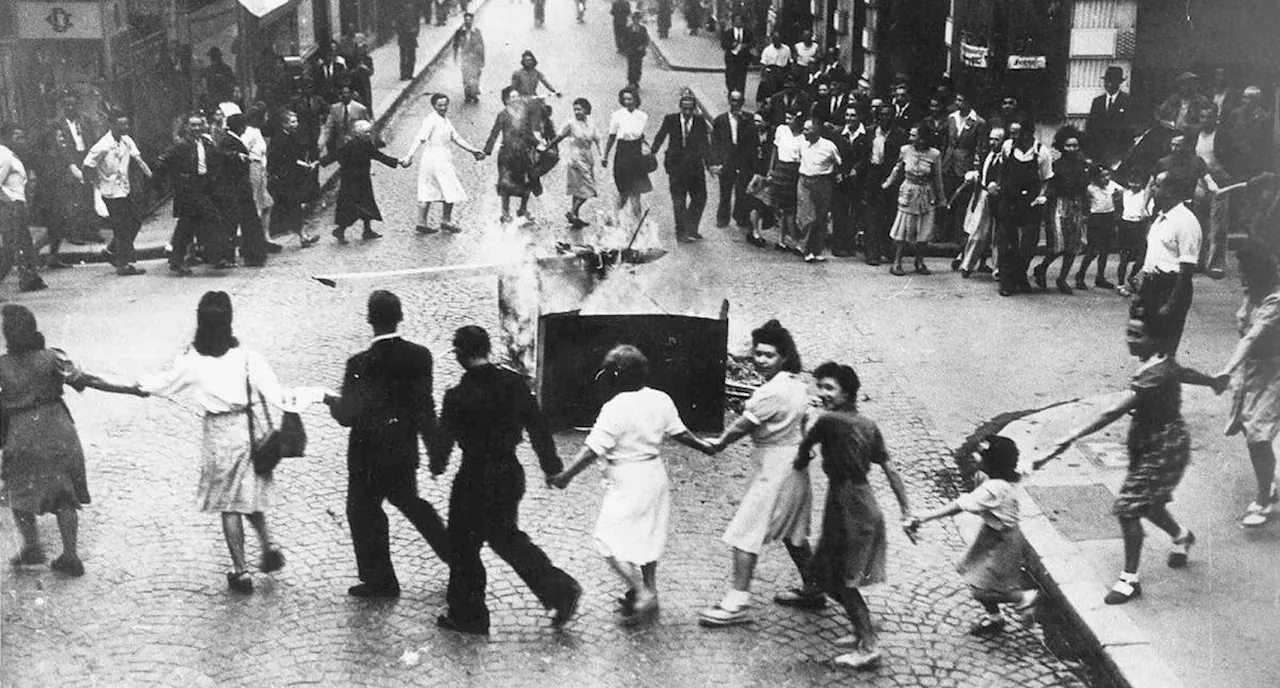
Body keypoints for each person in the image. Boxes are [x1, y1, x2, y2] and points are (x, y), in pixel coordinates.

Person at [1040, 307, 1225, 604]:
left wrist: (1071, 435)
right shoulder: (1160, 362)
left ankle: (1129, 580)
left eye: (1138, 335)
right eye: (1129, 332)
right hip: (1150, 443)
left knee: (1129, 507)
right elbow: (1185, 373)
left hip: (1164, 446)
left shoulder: (1156, 373)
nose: (1130, 340)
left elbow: (1114, 411)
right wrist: (1213, 381)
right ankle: (1181, 536)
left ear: (1157, 339)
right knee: (1147, 503)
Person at [139, 292, 307, 593]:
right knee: (249, 493)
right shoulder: (248, 359)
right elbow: (277, 394)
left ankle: (241, 570)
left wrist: (136, 386)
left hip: (219, 434)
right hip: (248, 427)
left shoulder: (193, 362)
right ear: (229, 321)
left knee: (229, 504)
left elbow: (161, 384)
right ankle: (269, 545)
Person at [427, 326, 583, 635]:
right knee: (506, 538)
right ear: (487, 349)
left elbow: (443, 442)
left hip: (473, 477)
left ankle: (469, 614)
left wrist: (437, 464)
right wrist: (551, 467)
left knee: (463, 544)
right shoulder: (514, 385)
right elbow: (538, 427)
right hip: (508, 473)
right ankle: (559, 590)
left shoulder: (457, 396)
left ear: (460, 355)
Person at [550, 345, 715, 623]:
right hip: (654, 474)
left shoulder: (614, 409)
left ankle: (641, 592)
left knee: (607, 540)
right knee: (648, 536)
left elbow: (592, 450)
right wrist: (704, 446)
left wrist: (566, 476)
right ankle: (650, 589)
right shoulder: (660, 399)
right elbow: (681, 432)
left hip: (627, 480)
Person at [321, 291, 450, 597]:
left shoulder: (359, 363)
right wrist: (435, 453)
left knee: (362, 512)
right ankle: (458, 557)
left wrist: (329, 400)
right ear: (400, 317)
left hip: (366, 455)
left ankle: (380, 579)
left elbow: (347, 415)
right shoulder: (420, 357)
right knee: (413, 505)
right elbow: (425, 409)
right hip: (402, 451)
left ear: (369, 320)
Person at [1, 305, 146, 577]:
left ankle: (32, 547)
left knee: (19, 493)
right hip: (57, 429)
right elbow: (88, 379)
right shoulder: (53, 357)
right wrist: (131, 388)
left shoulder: (1, 366)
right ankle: (70, 556)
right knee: (64, 494)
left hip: (20, 433)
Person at [699, 320, 819, 626]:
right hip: (793, 465)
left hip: (775, 468)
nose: (760, 360)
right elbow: (808, 423)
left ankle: (737, 603)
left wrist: (719, 444)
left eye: (768, 355)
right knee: (794, 533)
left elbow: (743, 426)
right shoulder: (797, 385)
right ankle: (814, 588)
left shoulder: (771, 393)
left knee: (744, 533)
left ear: (784, 357)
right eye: (757, 353)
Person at [796, 362, 913, 668]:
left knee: (840, 579)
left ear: (846, 392)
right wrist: (906, 510)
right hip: (861, 501)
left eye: (829, 388)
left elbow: (804, 448)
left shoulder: (829, 420)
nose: (822, 393)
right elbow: (889, 467)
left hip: (848, 506)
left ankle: (869, 645)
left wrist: (803, 435)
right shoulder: (868, 425)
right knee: (831, 574)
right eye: (819, 386)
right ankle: (862, 631)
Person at [905, 436, 1038, 637]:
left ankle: (1022, 598)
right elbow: (1037, 462)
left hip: (1004, 543)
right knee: (974, 575)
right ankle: (996, 619)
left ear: (992, 462)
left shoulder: (993, 488)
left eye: (981, 454)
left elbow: (959, 506)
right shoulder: (1003, 476)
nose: (975, 456)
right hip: (992, 535)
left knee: (980, 589)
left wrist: (922, 518)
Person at [1215, 242, 1280, 527]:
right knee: (1253, 430)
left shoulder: (1275, 300)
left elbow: (1252, 336)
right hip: (1253, 371)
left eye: (1245, 269)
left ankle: (1264, 496)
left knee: (1259, 433)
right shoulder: (1251, 293)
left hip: (1275, 371)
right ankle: (1269, 481)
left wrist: (1227, 369)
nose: (1240, 274)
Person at [153, 114, 233, 273]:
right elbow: (163, 161)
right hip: (189, 189)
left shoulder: (205, 142)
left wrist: (234, 156)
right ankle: (215, 257)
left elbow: (218, 156)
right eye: (192, 125)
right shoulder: (181, 145)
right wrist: (162, 180)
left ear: (203, 126)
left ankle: (179, 259)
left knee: (187, 225)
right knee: (211, 218)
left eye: (198, 125)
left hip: (204, 186)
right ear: (187, 127)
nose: (196, 128)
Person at [1137, 170, 1201, 355]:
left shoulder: (1185, 222)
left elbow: (1187, 268)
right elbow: (1155, 254)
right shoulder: (1159, 218)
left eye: (1157, 185)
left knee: (1164, 349)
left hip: (1170, 287)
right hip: (1152, 286)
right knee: (1147, 345)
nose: (1152, 189)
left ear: (1171, 191)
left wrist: (1171, 303)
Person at [402, 93, 485, 235]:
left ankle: (424, 222)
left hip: (438, 158)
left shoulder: (444, 119)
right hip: (436, 158)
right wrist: (409, 156)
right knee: (448, 186)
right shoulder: (431, 120)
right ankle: (442, 221)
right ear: (433, 106)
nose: (443, 108)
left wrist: (472, 150)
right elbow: (420, 138)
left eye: (445, 105)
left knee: (430, 187)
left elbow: (455, 137)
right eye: (439, 105)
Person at [82, 113, 154, 276]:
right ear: (111, 125)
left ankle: (111, 252)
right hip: (110, 192)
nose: (125, 128)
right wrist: (95, 185)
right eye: (121, 125)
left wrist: (152, 176)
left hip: (124, 189)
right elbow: (86, 167)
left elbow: (139, 160)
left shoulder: (126, 140)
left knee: (134, 222)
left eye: (126, 124)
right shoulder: (102, 145)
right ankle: (124, 264)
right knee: (121, 227)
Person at [315, 119, 399, 243]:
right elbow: (337, 154)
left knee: (366, 204)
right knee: (352, 206)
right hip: (352, 180)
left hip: (360, 179)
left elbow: (377, 155)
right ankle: (341, 231)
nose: (368, 135)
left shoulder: (362, 143)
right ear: (357, 133)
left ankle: (367, 230)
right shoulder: (354, 144)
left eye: (369, 132)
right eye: (366, 132)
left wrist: (397, 161)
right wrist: (321, 162)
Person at [996, 118, 1053, 296]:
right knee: (1007, 242)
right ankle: (1007, 282)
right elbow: (1002, 171)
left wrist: (1040, 197)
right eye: (1011, 133)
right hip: (1010, 199)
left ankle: (1020, 274)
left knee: (1028, 243)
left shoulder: (1041, 152)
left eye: (1016, 133)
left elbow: (1046, 179)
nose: (1013, 136)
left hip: (1030, 202)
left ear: (1028, 133)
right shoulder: (1007, 147)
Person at [483, 87, 553, 224]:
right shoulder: (502, 115)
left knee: (527, 182)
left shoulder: (524, 114)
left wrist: (538, 144)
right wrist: (487, 150)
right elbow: (494, 132)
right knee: (505, 184)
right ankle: (505, 212)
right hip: (507, 154)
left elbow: (528, 133)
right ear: (506, 100)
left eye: (517, 96)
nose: (516, 99)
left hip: (522, 153)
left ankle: (523, 209)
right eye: (512, 97)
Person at [1033, 128, 1089, 294]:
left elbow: (1085, 188)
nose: (1072, 149)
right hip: (1058, 206)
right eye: (1068, 146)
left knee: (1073, 246)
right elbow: (1050, 187)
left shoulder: (1083, 165)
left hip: (1076, 207)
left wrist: (1085, 208)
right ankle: (1042, 268)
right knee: (1058, 245)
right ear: (1061, 146)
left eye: (1075, 146)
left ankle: (1062, 279)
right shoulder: (1056, 166)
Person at [883, 124, 944, 276]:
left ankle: (920, 261)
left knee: (923, 230)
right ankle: (897, 262)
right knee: (903, 229)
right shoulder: (905, 150)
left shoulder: (934, 154)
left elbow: (938, 177)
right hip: (909, 192)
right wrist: (887, 183)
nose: (910, 138)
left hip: (926, 193)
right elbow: (897, 169)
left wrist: (941, 198)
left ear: (923, 138)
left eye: (914, 135)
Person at [651, 94, 712, 244]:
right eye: (684, 109)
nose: (687, 112)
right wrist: (651, 153)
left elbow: (705, 144)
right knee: (679, 200)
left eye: (690, 109)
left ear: (694, 109)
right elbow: (660, 136)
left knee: (700, 198)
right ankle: (681, 232)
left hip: (695, 167)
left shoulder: (700, 121)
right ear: (680, 108)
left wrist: (710, 164)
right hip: (676, 167)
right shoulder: (670, 119)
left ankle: (692, 228)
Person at [216, 114, 270, 266]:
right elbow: (221, 157)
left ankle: (245, 254)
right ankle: (239, 255)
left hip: (239, 189)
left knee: (242, 222)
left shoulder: (231, 140)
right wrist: (237, 157)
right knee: (239, 222)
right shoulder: (229, 141)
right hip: (236, 189)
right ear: (240, 127)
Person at [0, 125, 46, 292]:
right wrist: (10, 202)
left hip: (16, 204)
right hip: (11, 205)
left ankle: (30, 278)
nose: (21, 141)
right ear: (5, 138)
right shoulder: (3, 156)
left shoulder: (12, 154)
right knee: (11, 247)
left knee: (24, 244)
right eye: (17, 137)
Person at [267, 110, 321, 249]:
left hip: (291, 178)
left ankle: (302, 235)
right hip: (285, 179)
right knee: (292, 207)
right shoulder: (280, 138)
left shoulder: (290, 136)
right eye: (292, 121)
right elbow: (280, 159)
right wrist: (302, 164)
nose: (296, 124)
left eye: (296, 121)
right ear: (284, 124)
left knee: (294, 207)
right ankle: (300, 236)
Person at [545, 97, 603, 229]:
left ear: (586, 110)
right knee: (589, 189)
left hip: (587, 158)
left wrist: (602, 155)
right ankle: (572, 212)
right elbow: (558, 137)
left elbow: (598, 139)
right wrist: (548, 148)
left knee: (579, 190)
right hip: (575, 159)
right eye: (575, 109)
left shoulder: (591, 123)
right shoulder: (571, 124)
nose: (577, 112)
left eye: (579, 109)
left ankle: (574, 216)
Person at [956, 126, 1005, 277]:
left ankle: (998, 269)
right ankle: (967, 265)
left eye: (996, 139)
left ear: (1003, 141)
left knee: (998, 235)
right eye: (991, 138)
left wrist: (998, 186)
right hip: (984, 197)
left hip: (1000, 198)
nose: (992, 142)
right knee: (977, 232)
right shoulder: (987, 156)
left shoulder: (1006, 158)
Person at [863, 101, 907, 266]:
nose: (885, 118)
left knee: (889, 213)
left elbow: (901, 160)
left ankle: (887, 249)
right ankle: (872, 252)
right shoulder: (869, 132)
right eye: (882, 115)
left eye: (888, 115)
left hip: (891, 175)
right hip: (873, 174)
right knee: (871, 215)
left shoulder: (900, 135)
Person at [709, 90, 758, 231]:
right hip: (727, 160)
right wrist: (715, 162)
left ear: (742, 102)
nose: (736, 104)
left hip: (742, 160)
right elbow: (715, 143)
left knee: (741, 191)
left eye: (739, 101)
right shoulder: (720, 120)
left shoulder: (748, 119)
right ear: (729, 101)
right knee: (725, 191)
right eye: (733, 100)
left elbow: (752, 140)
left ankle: (741, 218)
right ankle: (722, 218)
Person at [602, 87, 652, 225]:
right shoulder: (617, 115)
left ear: (636, 99)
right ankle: (614, 217)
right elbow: (612, 136)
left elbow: (639, 135)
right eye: (625, 99)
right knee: (623, 192)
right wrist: (605, 155)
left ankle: (638, 223)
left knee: (636, 193)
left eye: (630, 99)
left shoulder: (642, 116)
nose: (628, 101)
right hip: (622, 153)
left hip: (636, 153)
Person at [796, 116, 842, 263]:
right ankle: (806, 248)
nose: (803, 132)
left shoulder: (829, 146)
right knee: (808, 216)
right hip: (805, 181)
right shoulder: (802, 144)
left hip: (823, 183)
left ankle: (816, 250)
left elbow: (839, 163)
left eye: (807, 129)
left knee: (821, 217)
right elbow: (799, 159)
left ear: (817, 130)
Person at [828, 105, 870, 258]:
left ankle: (849, 244)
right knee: (839, 211)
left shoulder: (866, 135)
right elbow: (832, 155)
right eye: (847, 115)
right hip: (840, 178)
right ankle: (837, 244)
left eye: (853, 115)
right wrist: (837, 173)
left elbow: (867, 157)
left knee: (854, 212)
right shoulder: (838, 134)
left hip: (857, 180)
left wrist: (857, 170)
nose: (849, 118)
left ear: (859, 117)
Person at [1076, 164, 1124, 290]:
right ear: (1096, 178)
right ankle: (1080, 275)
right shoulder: (1090, 188)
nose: (1107, 178)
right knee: (1092, 250)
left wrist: (1116, 197)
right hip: (1096, 219)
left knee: (1105, 250)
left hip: (1109, 217)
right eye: (1103, 176)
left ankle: (1100, 277)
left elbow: (1121, 192)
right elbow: (1084, 201)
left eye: (1108, 175)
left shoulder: (1112, 185)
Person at [764, 109, 805, 253]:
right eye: (786, 117)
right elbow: (774, 150)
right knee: (779, 207)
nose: (787, 121)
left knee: (790, 209)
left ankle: (794, 239)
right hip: (780, 170)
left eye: (790, 118)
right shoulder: (781, 130)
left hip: (794, 172)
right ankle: (781, 240)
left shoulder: (803, 137)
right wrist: (771, 169)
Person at [1114, 173, 1152, 296]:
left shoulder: (1145, 196)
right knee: (1124, 257)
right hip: (1125, 225)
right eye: (1132, 182)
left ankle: (1132, 276)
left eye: (1137, 182)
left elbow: (1148, 214)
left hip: (1139, 226)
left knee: (1142, 256)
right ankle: (1120, 285)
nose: (1134, 185)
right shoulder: (1124, 193)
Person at [1086, 66, 1133, 167]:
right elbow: (1090, 128)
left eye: (1111, 81)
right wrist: (1089, 154)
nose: (1107, 84)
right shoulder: (1097, 102)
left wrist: (1123, 155)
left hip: (1118, 154)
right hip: (1098, 154)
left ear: (1119, 83)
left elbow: (1129, 130)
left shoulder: (1128, 101)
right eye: (1106, 81)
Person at [317, 84, 372, 157]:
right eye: (342, 93)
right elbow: (328, 127)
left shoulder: (360, 109)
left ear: (351, 94)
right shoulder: (335, 108)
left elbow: (367, 128)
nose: (343, 96)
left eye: (346, 93)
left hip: (357, 147)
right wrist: (322, 141)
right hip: (341, 147)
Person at [453, 13, 485, 103]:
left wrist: (482, 59)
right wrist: (455, 58)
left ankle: (473, 93)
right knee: (466, 77)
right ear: (464, 20)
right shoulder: (459, 32)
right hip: (465, 58)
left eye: (469, 20)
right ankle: (468, 95)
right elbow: (455, 46)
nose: (468, 22)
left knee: (475, 76)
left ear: (472, 20)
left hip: (475, 58)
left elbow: (481, 46)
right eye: (466, 20)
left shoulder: (477, 31)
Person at [721, 15, 754, 96]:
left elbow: (752, 43)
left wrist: (745, 46)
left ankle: (740, 95)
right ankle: (731, 92)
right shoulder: (728, 33)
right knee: (730, 77)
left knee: (741, 78)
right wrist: (732, 45)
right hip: (731, 59)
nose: (738, 22)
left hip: (743, 59)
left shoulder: (748, 32)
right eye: (736, 20)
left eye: (740, 20)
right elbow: (723, 45)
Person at [756, 33, 793, 105]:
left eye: (779, 39)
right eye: (775, 39)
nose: (777, 41)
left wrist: (789, 74)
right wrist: (763, 77)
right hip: (772, 72)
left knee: (782, 92)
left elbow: (789, 62)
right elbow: (763, 64)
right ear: (773, 40)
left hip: (782, 72)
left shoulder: (786, 49)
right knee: (771, 92)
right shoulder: (767, 50)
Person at [622, 13, 650, 89]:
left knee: (638, 67)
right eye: (635, 19)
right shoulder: (628, 29)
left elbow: (646, 40)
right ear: (633, 20)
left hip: (639, 52)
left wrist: (642, 46)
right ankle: (631, 81)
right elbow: (624, 40)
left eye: (638, 19)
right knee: (631, 66)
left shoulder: (643, 29)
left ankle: (636, 81)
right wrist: (626, 49)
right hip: (631, 51)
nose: (636, 21)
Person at [396, 0, 421, 81]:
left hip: (408, 37)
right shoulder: (402, 12)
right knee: (408, 56)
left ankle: (406, 74)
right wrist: (414, 31)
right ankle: (406, 74)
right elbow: (416, 24)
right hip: (407, 36)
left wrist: (415, 31)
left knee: (407, 56)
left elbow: (417, 23)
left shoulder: (410, 11)